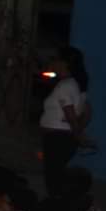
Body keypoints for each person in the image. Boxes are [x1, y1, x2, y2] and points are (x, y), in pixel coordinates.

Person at [40, 47, 88, 195]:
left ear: (64, 63)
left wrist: (78, 133)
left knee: (54, 178)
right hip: (63, 138)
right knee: (57, 175)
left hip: (57, 139)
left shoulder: (65, 86)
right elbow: (87, 111)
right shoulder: (75, 84)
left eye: (55, 60)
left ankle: (57, 207)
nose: (52, 63)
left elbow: (70, 113)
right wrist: (77, 132)